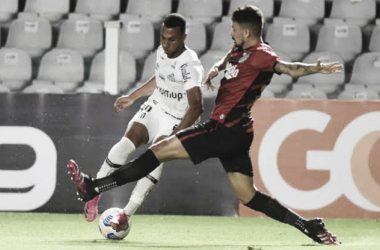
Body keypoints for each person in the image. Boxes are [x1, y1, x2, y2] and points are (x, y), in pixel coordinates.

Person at [68, 6, 343, 245]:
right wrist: (216, 69)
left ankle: (95, 188)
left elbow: (288, 68)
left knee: (158, 151)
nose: (231, 33)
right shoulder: (240, 49)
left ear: (247, 32)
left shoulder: (262, 54)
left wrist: (314, 69)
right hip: (240, 132)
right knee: (248, 196)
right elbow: (230, 56)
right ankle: (308, 226)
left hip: (222, 128)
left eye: (234, 29)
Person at [75, 13, 204, 222]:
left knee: (155, 157)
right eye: (163, 38)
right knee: (126, 143)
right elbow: (161, 78)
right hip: (157, 105)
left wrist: (176, 136)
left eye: (172, 40)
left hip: (178, 117)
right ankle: (94, 193)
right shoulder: (162, 52)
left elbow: (197, 106)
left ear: (184, 38)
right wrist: (132, 97)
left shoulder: (189, 66)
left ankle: (126, 214)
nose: (166, 44)